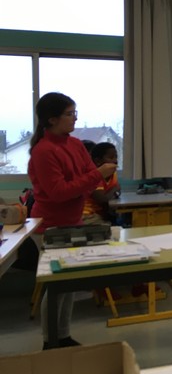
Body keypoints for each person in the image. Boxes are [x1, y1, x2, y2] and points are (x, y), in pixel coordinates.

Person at [28, 92, 117, 349]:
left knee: (68, 284)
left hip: (72, 222)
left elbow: (87, 180)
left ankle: (63, 335)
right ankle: (50, 342)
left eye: (74, 113)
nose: (75, 118)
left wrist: (93, 177)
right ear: (52, 119)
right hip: (49, 226)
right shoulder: (43, 151)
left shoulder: (75, 144)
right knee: (56, 285)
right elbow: (59, 192)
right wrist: (96, 175)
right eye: (70, 114)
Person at [82, 142, 121, 225]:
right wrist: (115, 189)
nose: (115, 161)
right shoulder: (95, 175)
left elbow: (117, 192)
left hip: (99, 214)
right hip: (87, 214)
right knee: (110, 228)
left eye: (116, 157)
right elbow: (101, 199)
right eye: (111, 157)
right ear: (98, 161)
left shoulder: (112, 174)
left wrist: (115, 191)